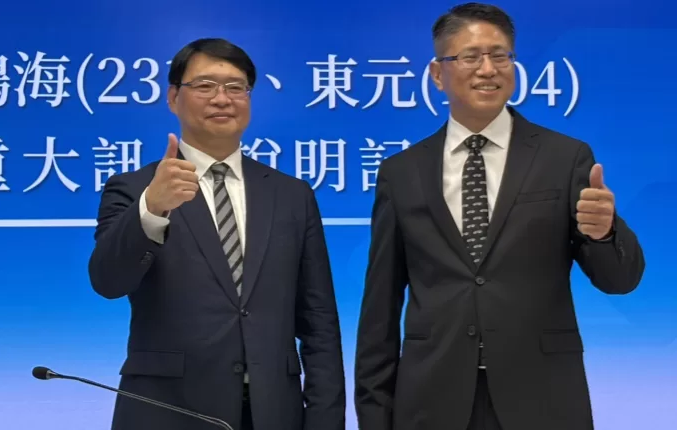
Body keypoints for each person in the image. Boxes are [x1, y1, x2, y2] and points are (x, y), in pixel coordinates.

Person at [353, 3, 645, 430]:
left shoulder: (564, 157)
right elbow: (380, 305)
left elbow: (619, 281)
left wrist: (604, 233)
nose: (488, 69)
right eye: (471, 57)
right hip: (432, 399)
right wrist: (374, 414)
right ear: (437, 74)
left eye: (500, 55)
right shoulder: (401, 173)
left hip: (543, 399)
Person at [88, 38, 346, 430]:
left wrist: (325, 419)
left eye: (236, 87)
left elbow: (319, 320)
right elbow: (108, 281)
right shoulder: (135, 188)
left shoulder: (292, 195)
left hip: (272, 413)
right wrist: (152, 209)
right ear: (173, 98)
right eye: (205, 86)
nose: (222, 99)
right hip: (169, 412)